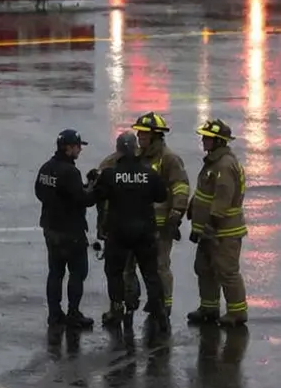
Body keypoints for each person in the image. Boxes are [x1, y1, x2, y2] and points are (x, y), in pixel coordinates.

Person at [92, 113, 191, 313]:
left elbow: (180, 186)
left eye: (144, 134)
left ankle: (163, 307)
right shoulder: (134, 155)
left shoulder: (169, 159)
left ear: (156, 136)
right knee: (128, 268)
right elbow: (110, 165)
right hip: (136, 225)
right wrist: (98, 175)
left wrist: (177, 213)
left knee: (159, 267)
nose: (140, 137)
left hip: (161, 226)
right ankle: (130, 302)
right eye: (139, 134)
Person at [91, 131, 169, 329]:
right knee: (150, 273)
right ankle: (160, 313)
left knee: (115, 272)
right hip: (144, 231)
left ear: (118, 151)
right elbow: (161, 196)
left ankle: (117, 309)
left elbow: (96, 197)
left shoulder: (110, 174)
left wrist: (94, 181)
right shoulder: (149, 172)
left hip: (118, 232)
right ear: (135, 149)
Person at [187, 119, 249, 326]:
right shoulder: (213, 163)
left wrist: (211, 225)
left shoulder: (224, 165)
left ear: (218, 142)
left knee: (226, 271)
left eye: (207, 138)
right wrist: (192, 209)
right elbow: (205, 192)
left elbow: (223, 198)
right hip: (208, 231)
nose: (203, 141)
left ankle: (237, 313)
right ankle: (209, 308)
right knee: (204, 268)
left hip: (223, 232)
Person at [35, 128, 97, 328]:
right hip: (71, 231)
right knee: (78, 273)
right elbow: (83, 199)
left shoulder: (46, 168)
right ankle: (73, 313)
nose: (80, 150)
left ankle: (54, 314)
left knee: (55, 272)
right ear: (69, 148)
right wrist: (95, 188)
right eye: (78, 146)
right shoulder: (70, 172)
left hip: (51, 228)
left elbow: (39, 192)